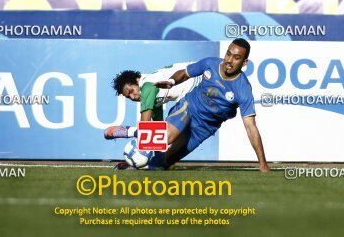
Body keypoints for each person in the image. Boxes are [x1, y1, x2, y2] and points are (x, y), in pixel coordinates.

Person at [112, 39, 271, 173]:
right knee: (166, 137)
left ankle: (132, 163)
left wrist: (262, 164)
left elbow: (251, 128)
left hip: (206, 126)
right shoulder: (211, 63)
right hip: (189, 107)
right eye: (228, 54)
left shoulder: (243, 89)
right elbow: (184, 73)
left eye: (236, 57)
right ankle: (132, 137)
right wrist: (172, 81)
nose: (229, 60)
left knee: (161, 164)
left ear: (244, 63)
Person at [104, 62, 201, 139]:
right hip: (197, 89)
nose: (133, 97)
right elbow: (157, 130)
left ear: (137, 80)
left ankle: (129, 131)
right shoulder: (151, 94)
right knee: (167, 134)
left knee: (170, 133)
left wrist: (128, 133)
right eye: (129, 97)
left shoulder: (147, 87)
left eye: (131, 91)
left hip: (201, 82)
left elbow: (145, 126)